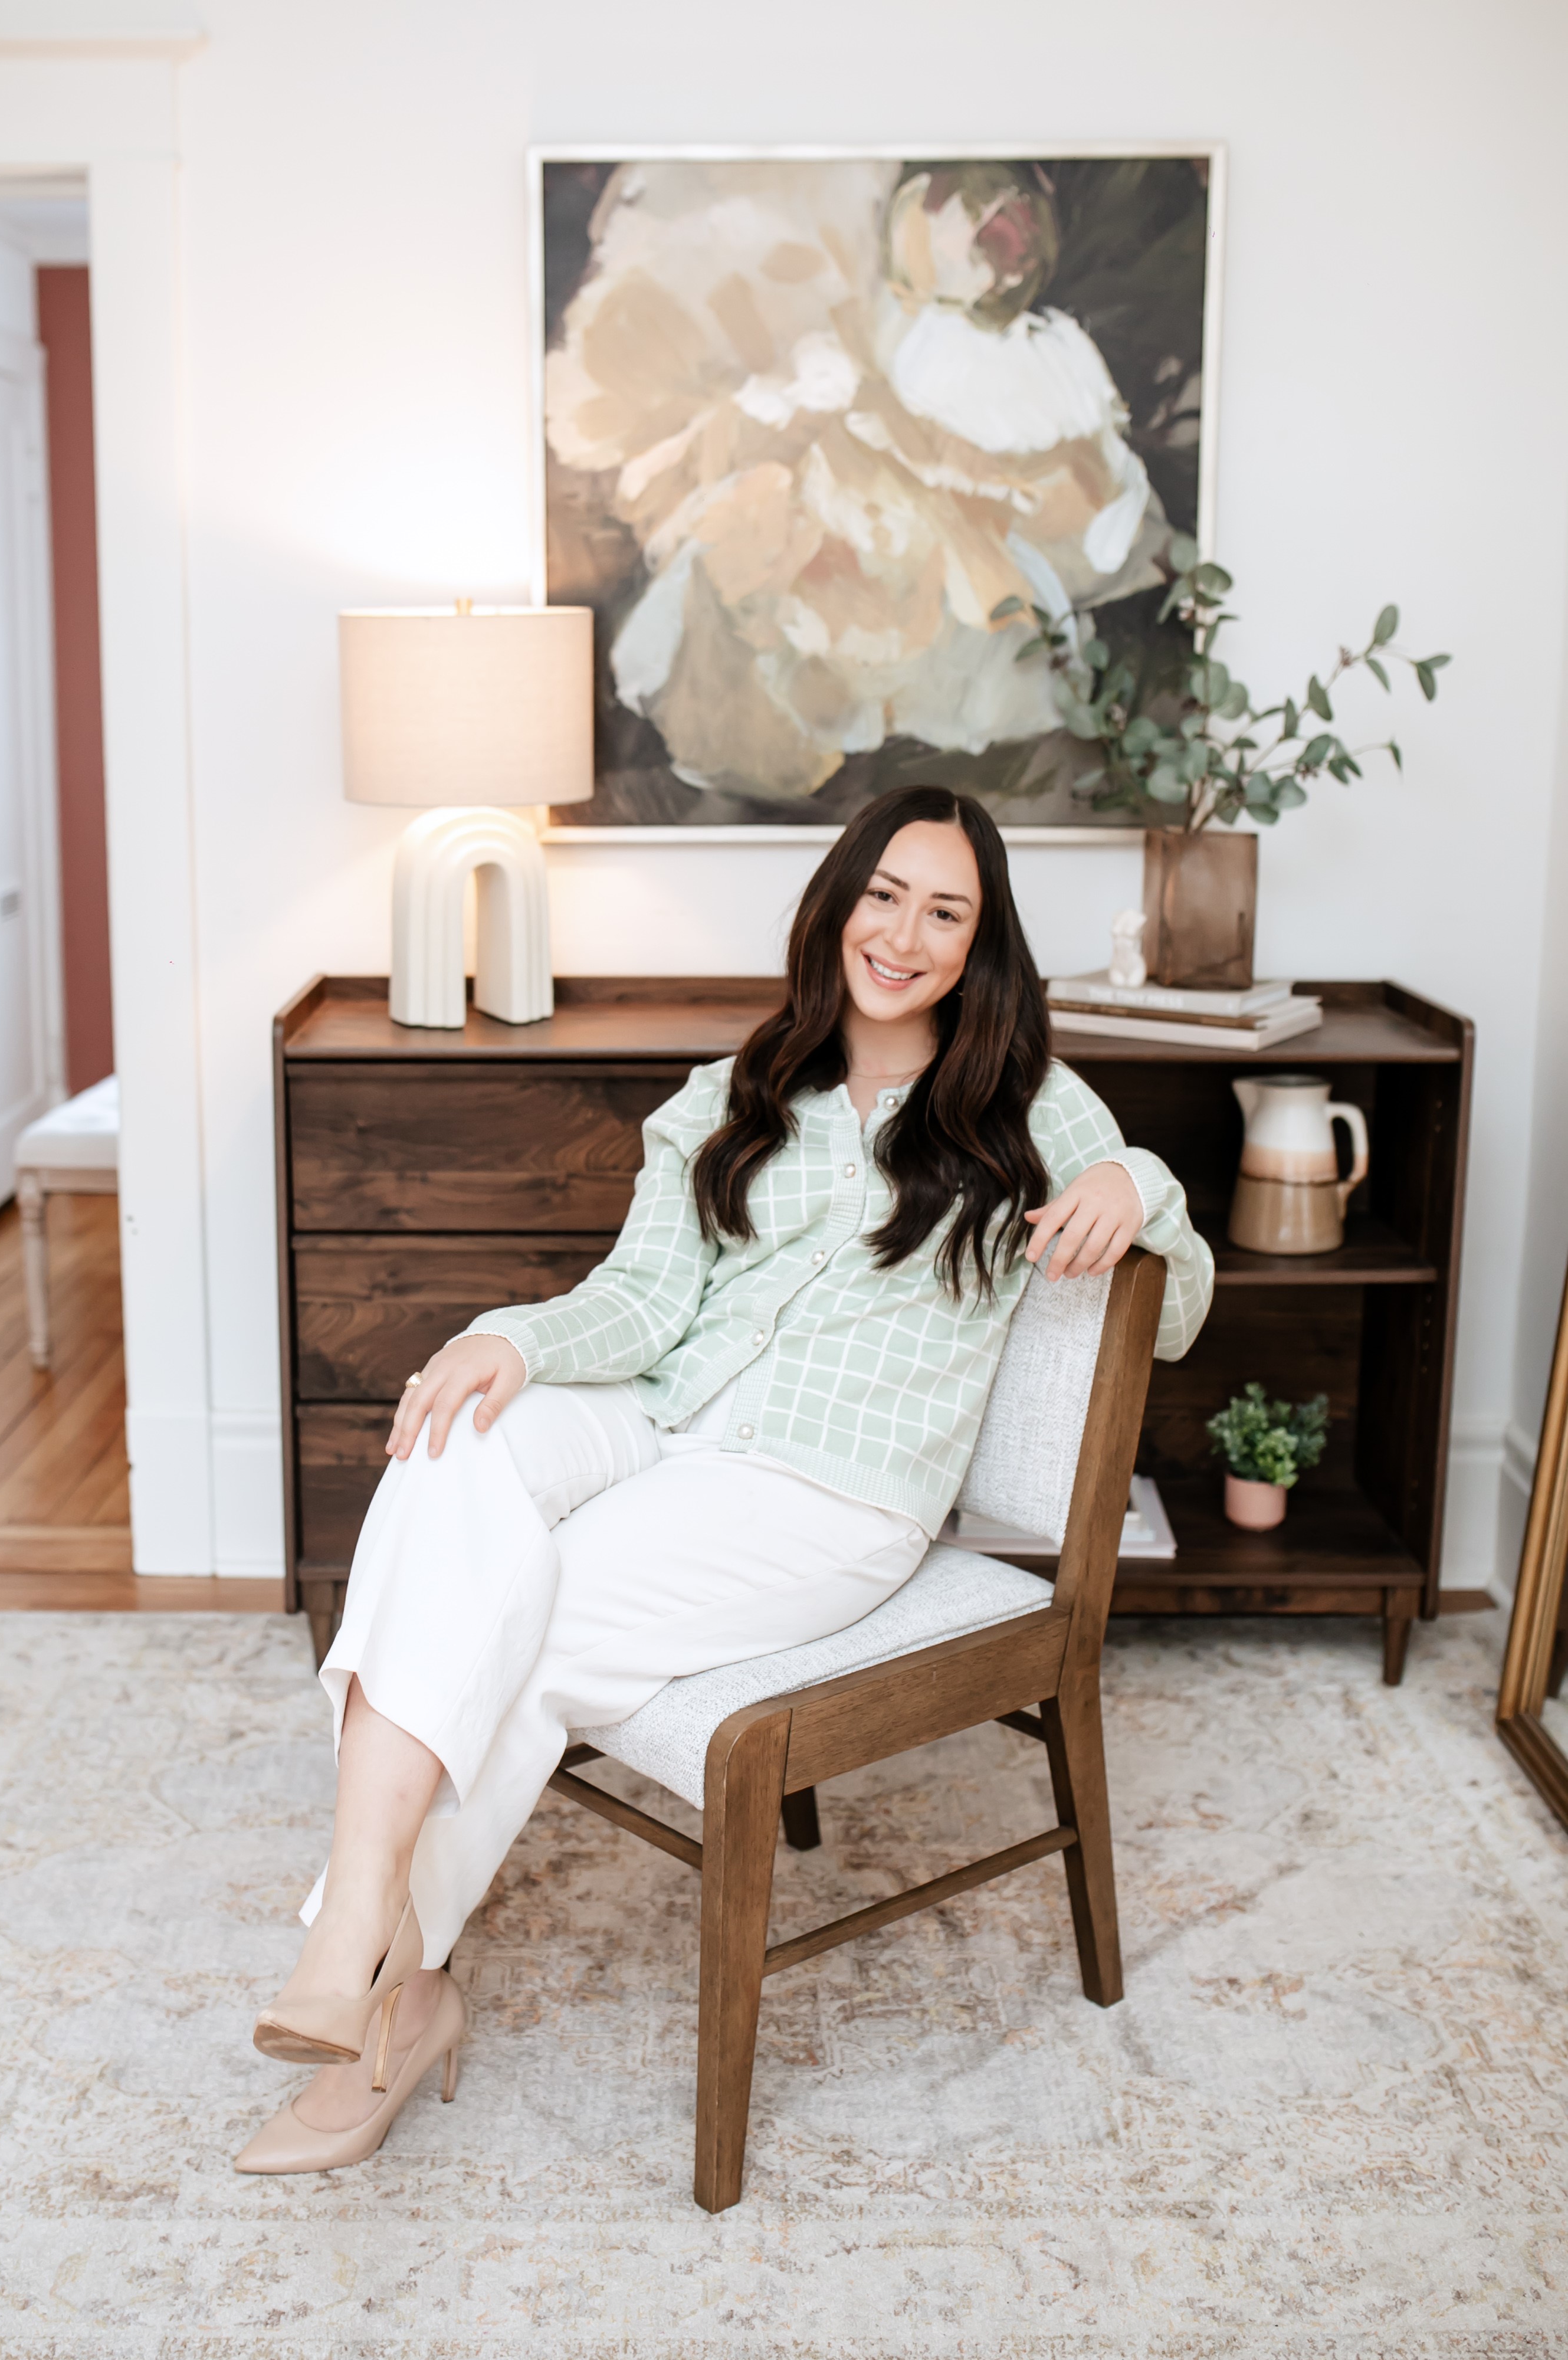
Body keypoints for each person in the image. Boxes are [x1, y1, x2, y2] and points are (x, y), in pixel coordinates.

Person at [235, 785, 1214, 2174]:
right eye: (883, 896)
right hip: (667, 1412)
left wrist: (1139, 1184)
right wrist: (511, 1338)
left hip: (828, 1490)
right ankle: (364, 1944)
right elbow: (642, 1302)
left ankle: (384, 1978)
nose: (904, 936)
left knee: (522, 1614)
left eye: (944, 912)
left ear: (978, 944)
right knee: (456, 1446)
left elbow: (1175, 1311)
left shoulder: (1030, 1104)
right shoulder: (737, 1088)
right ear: (837, 903)